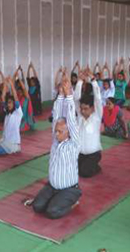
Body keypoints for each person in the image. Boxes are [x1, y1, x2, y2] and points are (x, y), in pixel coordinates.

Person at [31, 74, 81, 219]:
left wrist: (69, 96)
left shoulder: (74, 143)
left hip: (69, 189)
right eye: (56, 131)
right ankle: (54, 199)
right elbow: (56, 116)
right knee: (37, 206)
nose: (56, 133)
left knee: (52, 212)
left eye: (60, 132)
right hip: (52, 187)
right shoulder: (55, 141)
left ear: (69, 133)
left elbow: (71, 120)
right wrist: (60, 95)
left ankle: (73, 202)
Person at [74, 69, 103, 177]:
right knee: (72, 169)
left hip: (93, 154)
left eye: (86, 109)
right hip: (80, 153)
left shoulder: (97, 117)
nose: (82, 111)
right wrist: (80, 81)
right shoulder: (80, 117)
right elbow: (76, 100)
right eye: (81, 109)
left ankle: (96, 166)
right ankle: (86, 165)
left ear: (92, 108)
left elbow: (98, 99)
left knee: (84, 172)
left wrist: (93, 80)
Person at [0, 77, 23, 155]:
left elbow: (15, 97)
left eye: (10, 102)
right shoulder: (7, 112)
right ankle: (5, 147)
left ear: (14, 104)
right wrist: (5, 83)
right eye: (8, 103)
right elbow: (2, 98)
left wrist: (12, 84)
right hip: (5, 139)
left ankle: (16, 148)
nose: (8, 104)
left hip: (12, 142)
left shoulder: (17, 113)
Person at [14, 66, 35, 131]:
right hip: (20, 117)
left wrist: (19, 78)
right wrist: (16, 73)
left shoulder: (26, 97)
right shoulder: (18, 96)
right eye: (18, 92)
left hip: (26, 117)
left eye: (20, 92)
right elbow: (13, 85)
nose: (19, 93)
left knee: (21, 128)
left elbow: (23, 88)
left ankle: (27, 124)